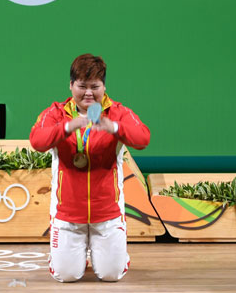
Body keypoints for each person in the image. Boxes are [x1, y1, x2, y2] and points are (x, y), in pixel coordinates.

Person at [29, 53, 150, 282]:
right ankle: (71, 256)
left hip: (107, 214)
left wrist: (113, 127)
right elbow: (37, 141)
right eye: (82, 86)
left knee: (111, 275)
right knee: (66, 275)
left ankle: (111, 254)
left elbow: (143, 138)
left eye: (95, 86)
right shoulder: (56, 113)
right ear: (71, 85)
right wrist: (67, 127)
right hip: (67, 215)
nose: (88, 93)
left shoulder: (118, 113)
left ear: (104, 86)